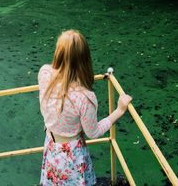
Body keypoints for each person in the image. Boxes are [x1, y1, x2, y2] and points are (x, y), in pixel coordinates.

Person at [38, 29, 132, 186]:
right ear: (84, 59)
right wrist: (119, 110)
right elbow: (93, 132)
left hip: (51, 144)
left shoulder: (44, 74)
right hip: (72, 155)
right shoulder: (84, 97)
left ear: (58, 52)